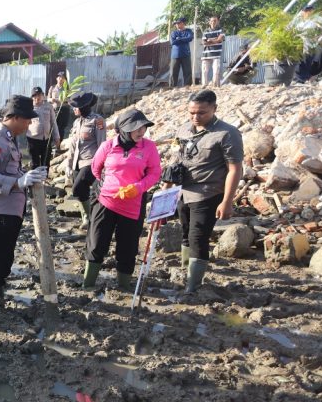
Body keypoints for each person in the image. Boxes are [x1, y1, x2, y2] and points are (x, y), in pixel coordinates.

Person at [168, 90, 244, 293]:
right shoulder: (184, 129)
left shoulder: (227, 133)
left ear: (214, 109)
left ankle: (193, 287)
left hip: (208, 193)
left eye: (201, 113)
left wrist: (227, 201)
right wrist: (167, 189)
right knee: (185, 233)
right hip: (183, 191)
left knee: (198, 238)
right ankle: (186, 272)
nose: (195, 117)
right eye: (192, 112)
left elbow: (235, 169)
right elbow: (176, 159)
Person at [0, 95, 47, 305]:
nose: (29, 124)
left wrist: (29, 175)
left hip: (9, 209)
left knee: (5, 255)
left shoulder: (10, 139)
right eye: (27, 120)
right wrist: (19, 182)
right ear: (15, 117)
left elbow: (11, 169)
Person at [83, 110, 161, 291]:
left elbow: (155, 173)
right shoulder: (108, 145)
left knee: (128, 246)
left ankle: (124, 286)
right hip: (105, 202)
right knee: (96, 242)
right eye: (136, 128)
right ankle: (88, 284)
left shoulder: (149, 147)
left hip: (133, 205)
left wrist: (138, 187)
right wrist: (105, 185)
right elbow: (96, 168)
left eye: (143, 127)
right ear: (123, 129)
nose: (141, 131)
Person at [66, 92, 107, 229]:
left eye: (75, 107)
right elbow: (72, 146)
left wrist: (101, 165)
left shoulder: (98, 120)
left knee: (77, 188)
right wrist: (69, 165)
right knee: (80, 191)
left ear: (83, 107)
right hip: (77, 162)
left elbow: (102, 144)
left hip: (91, 162)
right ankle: (87, 218)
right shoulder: (76, 122)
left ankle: (91, 217)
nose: (74, 109)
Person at [293, 4, 322, 83]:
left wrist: (320, 34)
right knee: (298, 61)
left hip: (310, 43)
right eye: (306, 10)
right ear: (303, 11)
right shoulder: (298, 19)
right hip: (298, 43)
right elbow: (289, 28)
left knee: (307, 60)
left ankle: (304, 78)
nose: (308, 12)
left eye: (310, 10)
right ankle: (298, 79)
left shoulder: (316, 18)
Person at [27, 87, 60, 168]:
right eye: (34, 96)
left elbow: (53, 122)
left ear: (43, 95)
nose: (37, 97)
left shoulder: (48, 106)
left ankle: (44, 176)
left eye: (39, 95)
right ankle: (35, 176)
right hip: (33, 140)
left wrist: (57, 137)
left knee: (46, 163)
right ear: (32, 97)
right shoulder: (29, 107)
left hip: (46, 139)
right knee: (35, 163)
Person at [201, 16, 225, 88]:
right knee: (204, 70)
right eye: (211, 21)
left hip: (216, 54)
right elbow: (204, 42)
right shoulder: (206, 31)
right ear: (209, 22)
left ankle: (215, 85)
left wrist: (210, 40)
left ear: (217, 22)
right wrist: (215, 40)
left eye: (215, 21)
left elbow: (220, 40)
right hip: (206, 54)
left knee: (216, 70)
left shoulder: (221, 30)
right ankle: (204, 84)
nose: (213, 22)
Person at [170, 18, 193, 87]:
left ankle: (187, 86)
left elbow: (190, 38)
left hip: (186, 54)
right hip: (175, 55)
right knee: (174, 72)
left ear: (183, 23)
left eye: (178, 23)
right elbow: (173, 42)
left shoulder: (188, 31)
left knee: (187, 72)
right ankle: (173, 87)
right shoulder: (174, 32)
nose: (177, 25)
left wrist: (179, 39)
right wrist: (184, 39)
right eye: (176, 24)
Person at [47, 72, 72, 137]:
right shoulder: (52, 87)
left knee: (61, 128)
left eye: (63, 77)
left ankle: (59, 142)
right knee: (52, 127)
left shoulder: (67, 89)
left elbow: (68, 99)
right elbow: (48, 98)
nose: (61, 79)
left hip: (64, 110)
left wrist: (58, 100)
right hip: (54, 110)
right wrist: (51, 99)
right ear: (56, 78)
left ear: (64, 80)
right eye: (59, 77)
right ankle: (50, 142)